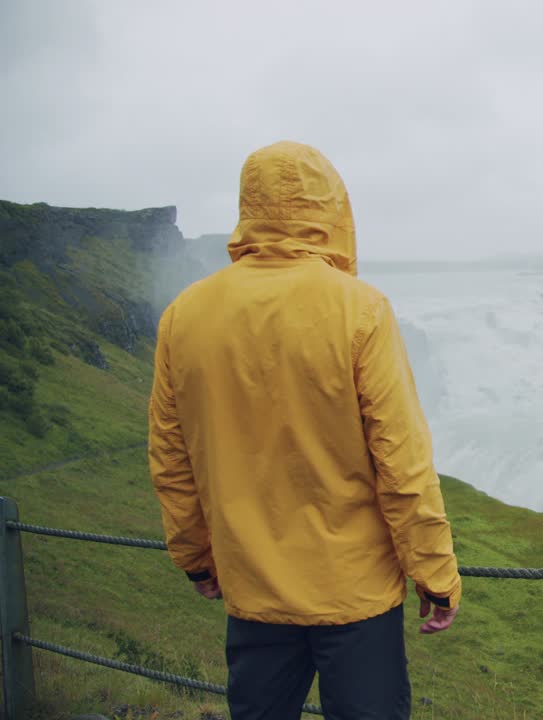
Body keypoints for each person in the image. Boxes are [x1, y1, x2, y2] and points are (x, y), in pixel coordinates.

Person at [148, 140, 461, 719]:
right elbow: (402, 460)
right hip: (356, 598)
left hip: (252, 590)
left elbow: (173, 460)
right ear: (331, 210)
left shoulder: (184, 315)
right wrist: (434, 573)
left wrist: (195, 557)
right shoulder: (360, 310)